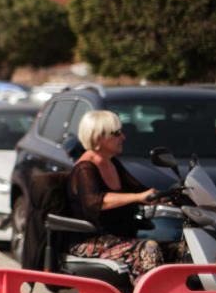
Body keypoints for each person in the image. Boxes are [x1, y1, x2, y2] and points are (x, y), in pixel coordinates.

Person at [66, 110, 164, 283]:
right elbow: (96, 202)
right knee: (149, 248)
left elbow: (140, 189)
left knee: (178, 250)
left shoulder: (112, 163)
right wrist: (138, 197)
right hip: (90, 241)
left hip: (120, 237)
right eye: (117, 133)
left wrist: (171, 195)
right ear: (98, 138)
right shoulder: (85, 168)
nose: (123, 137)